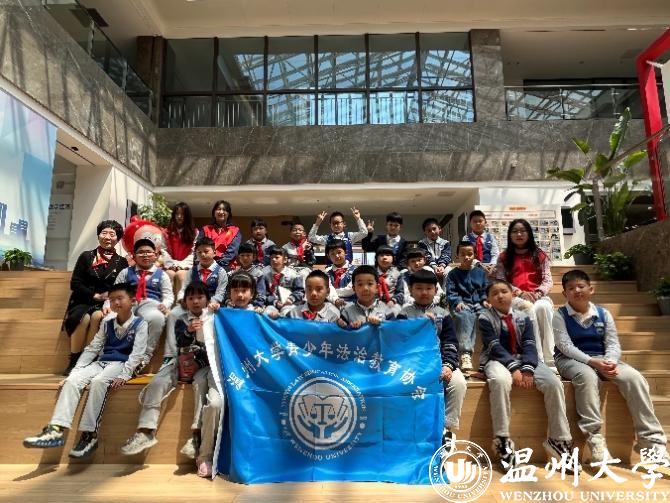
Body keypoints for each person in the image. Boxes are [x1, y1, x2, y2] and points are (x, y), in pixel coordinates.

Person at [554, 269, 669, 462]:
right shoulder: (559, 315)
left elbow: (613, 344)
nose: (577, 290)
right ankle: (595, 439)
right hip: (569, 360)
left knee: (634, 378)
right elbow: (564, 346)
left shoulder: (603, 314)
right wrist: (592, 362)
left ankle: (651, 441)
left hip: (603, 358)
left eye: (581, 286)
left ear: (591, 289)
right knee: (587, 376)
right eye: (571, 288)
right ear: (565, 293)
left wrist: (610, 362)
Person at [24, 283, 148, 459]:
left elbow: (137, 354)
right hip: (103, 362)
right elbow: (93, 348)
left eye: (120, 298)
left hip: (122, 364)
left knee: (98, 382)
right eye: (112, 299)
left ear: (133, 301)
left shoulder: (141, 324)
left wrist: (125, 374)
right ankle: (56, 430)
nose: (116, 303)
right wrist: (75, 372)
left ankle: (90, 435)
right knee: (72, 381)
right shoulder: (107, 322)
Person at [120, 282, 222, 478]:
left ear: (208, 300)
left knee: (202, 385)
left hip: (204, 366)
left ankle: (195, 437)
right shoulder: (177, 316)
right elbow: (178, 344)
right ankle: (146, 431)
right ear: (185, 301)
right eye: (191, 298)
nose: (195, 301)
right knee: (158, 381)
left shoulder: (215, 317)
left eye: (200, 297)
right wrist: (188, 332)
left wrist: (198, 361)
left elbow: (216, 349)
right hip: (179, 361)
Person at [479, 279, 576, 470]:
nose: (500, 296)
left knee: (553, 383)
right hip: (497, 360)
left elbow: (530, 344)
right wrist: (514, 368)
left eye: (504, 291)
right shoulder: (485, 317)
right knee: (499, 381)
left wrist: (528, 368)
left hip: (526, 360)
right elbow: (493, 346)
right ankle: (502, 441)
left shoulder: (523, 316)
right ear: (488, 299)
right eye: (494, 293)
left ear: (512, 294)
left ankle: (559, 440)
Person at [398, 269, 466, 452]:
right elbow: (399, 343)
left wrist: (448, 365)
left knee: (458, 383)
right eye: (419, 288)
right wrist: (419, 325)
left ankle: (446, 429)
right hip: (413, 366)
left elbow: (450, 342)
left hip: (439, 364)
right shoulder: (404, 314)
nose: (424, 292)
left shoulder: (443, 314)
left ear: (436, 290)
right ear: (411, 290)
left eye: (428, 288)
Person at [62, 220, 128, 376]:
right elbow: (75, 283)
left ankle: (87, 360)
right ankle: (74, 359)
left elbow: (122, 287)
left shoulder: (122, 262)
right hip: (83, 299)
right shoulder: (86, 256)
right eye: (104, 233)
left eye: (112, 234)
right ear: (98, 236)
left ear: (117, 239)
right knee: (82, 318)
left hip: (106, 303)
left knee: (97, 317)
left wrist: (108, 299)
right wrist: (94, 295)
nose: (107, 237)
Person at [496, 219, 555, 367]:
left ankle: (550, 358)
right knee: (528, 308)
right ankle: (537, 358)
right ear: (510, 235)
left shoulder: (540, 255)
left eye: (523, 231)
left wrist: (538, 293)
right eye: (515, 231)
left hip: (538, 296)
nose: (519, 234)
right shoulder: (504, 257)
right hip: (515, 297)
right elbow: (501, 280)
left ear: (529, 234)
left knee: (543, 307)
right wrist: (519, 292)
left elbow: (548, 280)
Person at [113, 239, 173, 368]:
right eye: (140, 252)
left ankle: (145, 356)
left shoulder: (162, 275)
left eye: (148, 252)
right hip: (127, 304)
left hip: (150, 305)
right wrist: (107, 306)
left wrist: (165, 304)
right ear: (134, 256)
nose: (145, 255)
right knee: (111, 317)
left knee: (157, 318)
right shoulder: (125, 272)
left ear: (155, 255)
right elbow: (115, 292)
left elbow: (168, 295)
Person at [445, 239, 489, 371]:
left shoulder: (480, 273)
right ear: (457, 256)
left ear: (474, 255)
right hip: (462, 304)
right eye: (463, 254)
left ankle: (489, 352)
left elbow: (485, 289)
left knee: (489, 316)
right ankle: (465, 353)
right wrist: (457, 301)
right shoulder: (453, 274)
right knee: (464, 315)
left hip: (479, 303)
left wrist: (485, 300)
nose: (466, 257)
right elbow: (451, 292)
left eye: (470, 254)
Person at [176, 237, 228, 312]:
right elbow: (184, 289)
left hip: (212, 306)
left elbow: (220, 293)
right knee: (174, 313)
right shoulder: (192, 271)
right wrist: (182, 299)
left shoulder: (221, 272)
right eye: (199, 252)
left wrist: (209, 303)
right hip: (193, 304)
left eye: (206, 251)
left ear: (214, 252)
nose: (203, 254)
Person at [163, 202, 196, 294]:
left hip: (186, 266)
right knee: (169, 275)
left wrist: (182, 265)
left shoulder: (194, 233)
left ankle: (181, 302)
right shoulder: (166, 232)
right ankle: (168, 302)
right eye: (177, 214)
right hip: (169, 266)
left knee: (181, 275)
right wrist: (172, 265)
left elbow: (193, 252)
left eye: (182, 214)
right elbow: (163, 250)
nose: (179, 217)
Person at [197, 200, 241, 270]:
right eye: (218, 209)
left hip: (226, 267)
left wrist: (216, 266)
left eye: (224, 210)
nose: (221, 212)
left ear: (228, 214)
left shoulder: (235, 230)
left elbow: (232, 252)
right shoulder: (205, 229)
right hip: (205, 265)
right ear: (214, 212)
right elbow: (199, 247)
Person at [262, 246, 305, 315]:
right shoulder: (264, 274)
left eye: (277, 257)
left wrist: (291, 299)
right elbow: (263, 293)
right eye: (271, 258)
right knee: (267, 313)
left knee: (288, 313)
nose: (273, 260)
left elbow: (300, 291)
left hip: (289, 303)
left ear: (285, 260)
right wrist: (275, 302)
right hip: (272, 304)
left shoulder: (294, 274)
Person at [228, 243, 267, 308]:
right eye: (242, 255)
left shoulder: (259, 274)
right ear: (239, 257)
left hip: (253, 305)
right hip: (235, 303)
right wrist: (228, 301)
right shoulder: (234, 274)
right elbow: (229, 291)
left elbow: (261, 293)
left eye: (248, 255)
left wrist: (257, 305)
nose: (245, 258)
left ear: (254, 257)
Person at [375, 245, 406, 316]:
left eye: (388, 255)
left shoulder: (397, 273)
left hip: (392, 303)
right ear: (376, 258)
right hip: (374, 303)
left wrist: (393, 301)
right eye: (381, 255)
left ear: (393, 258)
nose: (384, 257)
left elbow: (400, 292)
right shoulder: (371, 273)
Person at [465, 210, 499, 275]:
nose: (478, 223)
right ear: (470, 223)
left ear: (485, 222)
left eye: (480, 221)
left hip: (490, 267)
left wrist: (492, 265)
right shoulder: (466, 238)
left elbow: (495, 254)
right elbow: (467, 255)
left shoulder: (491, 237)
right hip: (473, 267)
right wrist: (478, 264)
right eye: (475, 221)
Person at [324, 239, 356, 307]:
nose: (336, 256)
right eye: (332, 254)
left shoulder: (355, 271)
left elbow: (351, 289)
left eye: (339, 252)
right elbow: (327, 287)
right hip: (332, 305)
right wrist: (335, 300)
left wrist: (329, 292)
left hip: (352, 305)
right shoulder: (326, 273)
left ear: (346, 252)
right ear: (328, 256)